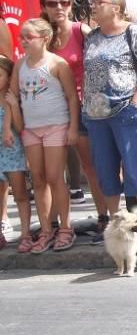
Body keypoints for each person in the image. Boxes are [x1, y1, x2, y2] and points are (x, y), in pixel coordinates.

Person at [82, 0, 137, 239]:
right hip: (95, 115)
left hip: (125, 109)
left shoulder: (130, 32)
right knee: (105, 170)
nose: (93, 5)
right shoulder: (91, 37)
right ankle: (117, 226)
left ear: (116, 7)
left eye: (99, 1)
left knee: (136, 169)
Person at [8, 18, 79, 253]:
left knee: (54, 177)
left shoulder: (57, 64)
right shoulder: (20, 65)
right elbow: (12, 97)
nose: (24, 41)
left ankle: (66, 228)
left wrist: (72, 127)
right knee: (37, 179)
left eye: (29, 37)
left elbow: (71, 97)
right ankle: (46, 229)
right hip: (31, 128)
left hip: (55, 126)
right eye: (22, 37)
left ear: (44, 38)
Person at [40, 0, 108, 225]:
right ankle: (55, 225)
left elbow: (102, 63)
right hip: (52, 109)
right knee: (52, 173)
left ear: (71, 5)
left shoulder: (82, 31)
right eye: (52, 3)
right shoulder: (42, 37)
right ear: (44, 8)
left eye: (64, 2)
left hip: (82, 106)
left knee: (90, 166)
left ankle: (103, 217)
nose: (59, 7)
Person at [0, 56, 30, 253]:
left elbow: (20, 128)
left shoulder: (12, 98)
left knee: (20, 194)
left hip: (13, 151)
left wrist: (13, 107)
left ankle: (26, 234)